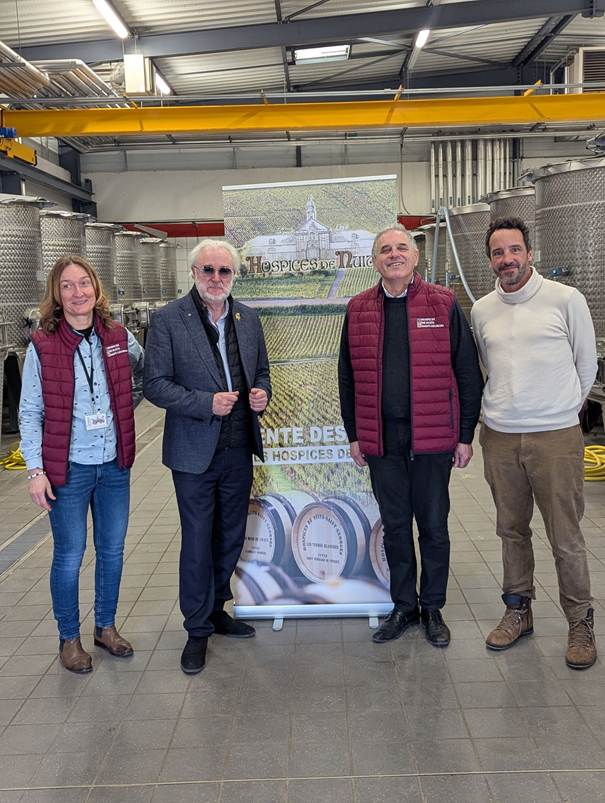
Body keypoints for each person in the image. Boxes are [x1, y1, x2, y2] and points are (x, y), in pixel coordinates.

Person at [338, 224, 483, 647]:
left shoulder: (443, 303)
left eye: (402, 247)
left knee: (434, 527)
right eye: (385, 249)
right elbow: (347, 378)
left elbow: (468, 373)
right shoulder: (358, 308)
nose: (394, 254)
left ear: (415, 257)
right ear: (375, 260)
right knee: (397, 527)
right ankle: (403, 605)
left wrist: (465, 434)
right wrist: (354, 434)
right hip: (382, 440)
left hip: (435, 439)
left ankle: (432, 607)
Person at [472, 217, 598, 670]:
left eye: (514, 250)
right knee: (511, 530)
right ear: (490, 260)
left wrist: (559, 410)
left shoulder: (566, 300)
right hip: (501, 436)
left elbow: (586, 366)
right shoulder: (482, 309)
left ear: (529, 252)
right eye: (498, 253)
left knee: (565, 535)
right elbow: (489, 368)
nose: (507, 260)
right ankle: (518, 611)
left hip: (555, 437)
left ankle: (580, 622)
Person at [143, 238, 271, 675]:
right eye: (208, 270)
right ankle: (196, 629)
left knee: (230, 535)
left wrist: (261, 394)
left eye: (224, 271)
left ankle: (217, 609)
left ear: (234, 276)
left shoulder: (248, 319)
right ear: (194, 274)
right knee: (198, 541)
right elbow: (155, 384)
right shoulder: (168, 320)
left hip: (237, 448)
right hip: (193, 453)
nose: (217, 278)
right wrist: (204, 402)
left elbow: (263, 371)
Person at [19, 255, 144, 673]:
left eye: (84, 283)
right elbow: (29, 411)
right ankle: (69, 638)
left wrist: (129, 408)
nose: (78, 293)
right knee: (70, 555)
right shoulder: (43, 344)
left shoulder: (117, 334)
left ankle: (105, 628)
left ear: (96, 288)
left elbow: (142, 372)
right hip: (67, 470)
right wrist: (36, 471)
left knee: (112, 551)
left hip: (113, 465)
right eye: (68, 285)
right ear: (57, 294)